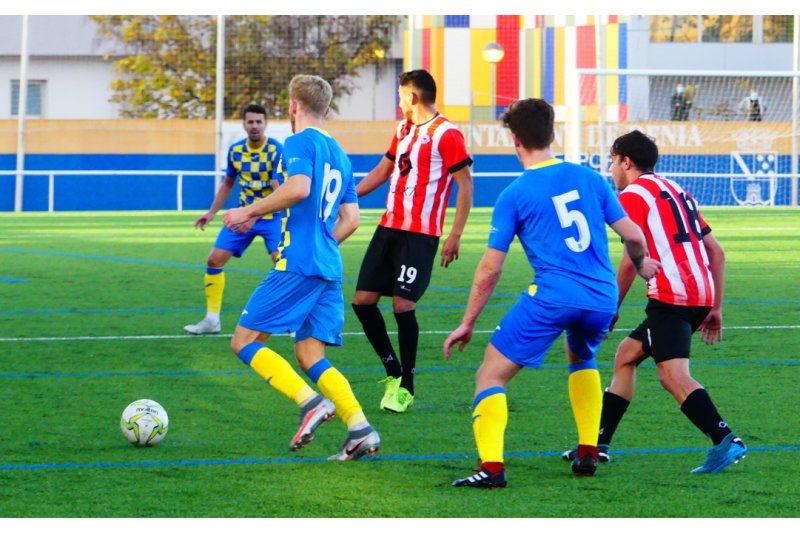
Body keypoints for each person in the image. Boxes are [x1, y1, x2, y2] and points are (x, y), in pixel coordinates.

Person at [443, 99, 660, 488]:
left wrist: (467, 322)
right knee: (582, 356)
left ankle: (491, 469)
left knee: (490, 375)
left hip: (553, 296)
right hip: (601, 296)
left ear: (515, 140)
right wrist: (641, 264)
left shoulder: (514, 193)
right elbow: (634, 236)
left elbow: (491, 268)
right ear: (552, 135)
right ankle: (589, 452)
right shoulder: (591, 179)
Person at [562, 130, 747, 474]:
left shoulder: (632, 195)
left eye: (612, 161)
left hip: (671, 295)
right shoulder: (677, 190)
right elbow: (716, 253)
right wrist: (716, 307)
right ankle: (598, 443)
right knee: (626, 356)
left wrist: (611, 306)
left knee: (672, 375)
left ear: (626, 161)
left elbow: (632, 259)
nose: (611, 169)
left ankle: (725, 439)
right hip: (700, 293)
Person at [221, 74, 380, 461]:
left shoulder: (298, 142)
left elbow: (299, 188)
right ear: (326, 109)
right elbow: (352, 219)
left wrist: (248, 210)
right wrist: (324, 244)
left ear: (294, 106)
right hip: (328, 265)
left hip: (301, 263)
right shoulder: (340, 154)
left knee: (243, 341)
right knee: (310, 353)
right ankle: (360, 429)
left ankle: (311, 404)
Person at [352, 69, 474, 414]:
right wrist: (345, 198)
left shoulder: (447, 134)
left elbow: (465, 185)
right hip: (388, 227)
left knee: (403, 306)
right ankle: (392, 368)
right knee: (362, 302)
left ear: (413, 98)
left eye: (401, 96)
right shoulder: (403, 130)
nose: (399, 102)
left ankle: (407, 384)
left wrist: (455, 234)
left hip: (420, 236)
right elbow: (381, 171)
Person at [184, 104, 285, 335]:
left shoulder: (276, 150)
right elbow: (228, 184)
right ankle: (211, 320)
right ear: (243, 124)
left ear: (266, 124)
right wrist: (211, 213)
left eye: (259, 121)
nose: (255, 126)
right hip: (241, 217)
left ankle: (290, 319)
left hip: (270, 217)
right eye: (250, 122)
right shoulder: (235, 151)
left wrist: (255, 214)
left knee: (283, 264)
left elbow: (278, 190)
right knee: (214, 260)